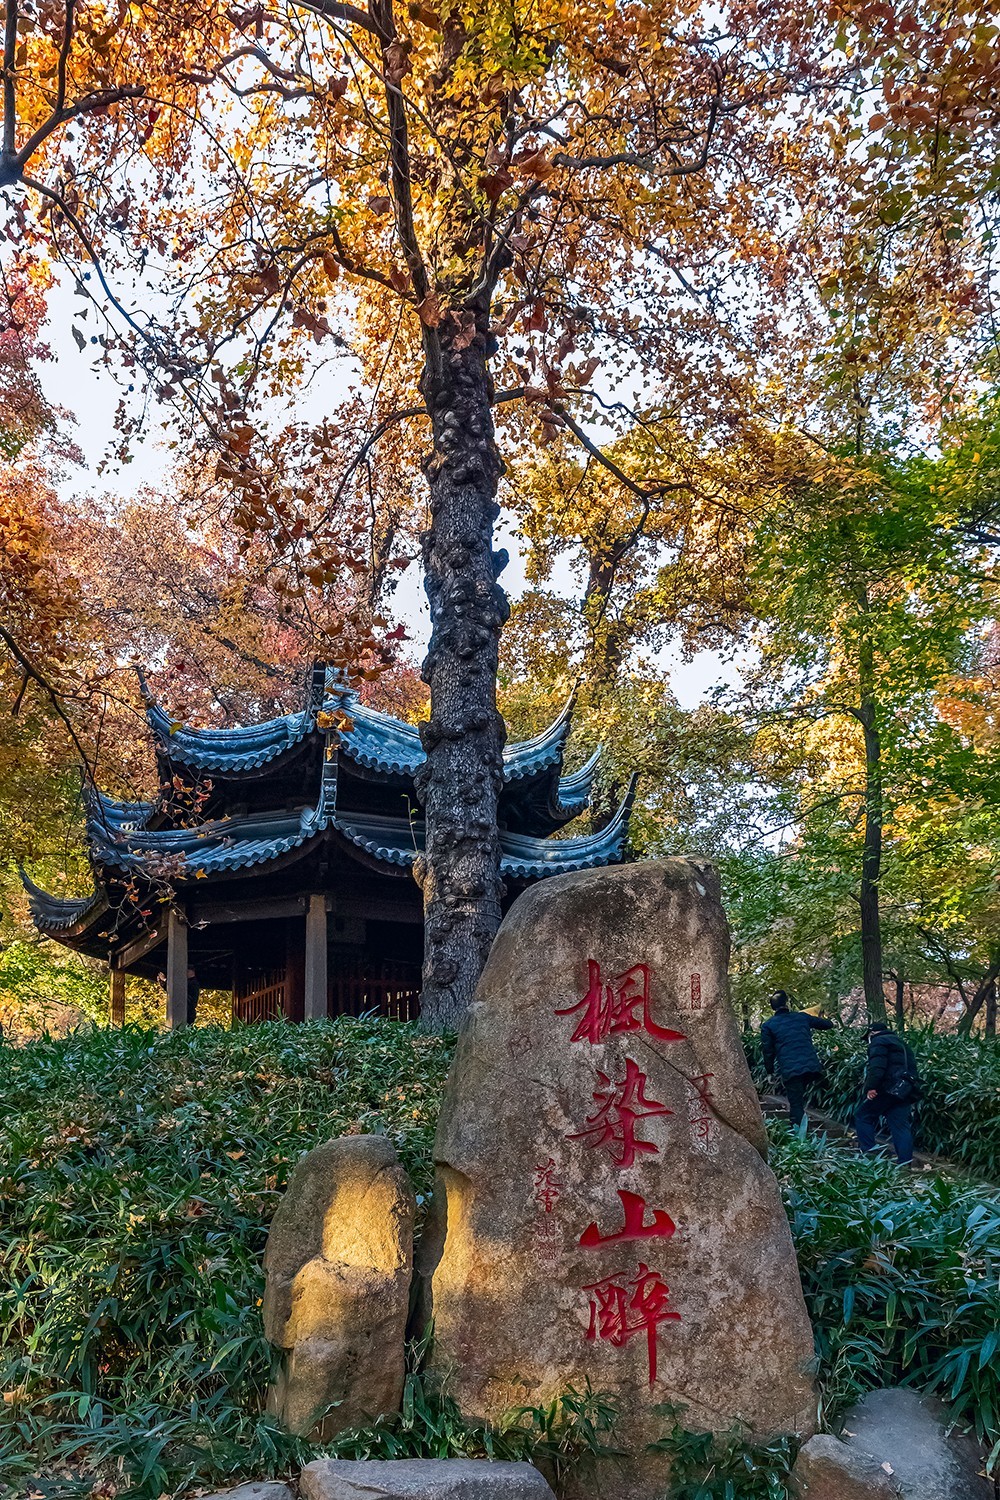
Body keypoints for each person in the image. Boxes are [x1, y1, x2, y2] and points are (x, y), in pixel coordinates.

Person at [760, 990, 835, 1127]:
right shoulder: (802, 1017)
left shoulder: (768, 1025)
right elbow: (827, 1025)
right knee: (803, 1094)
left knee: (795, 1103)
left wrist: (769, 1072)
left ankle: (799, 1135)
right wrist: (828, 1018)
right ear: (787, 1003)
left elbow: (768, 1051)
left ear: (773, 1007)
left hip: (791, 1069)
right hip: (812, 1067)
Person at [854, 1021, 920, 1166]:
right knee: (900, 1126)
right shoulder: (902, 1044)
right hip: (904, 1090)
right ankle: (905, 1163)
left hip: (886, 1087)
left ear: (872, 1033)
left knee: (863, 1116)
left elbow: (877, 1068)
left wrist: (871, 1087)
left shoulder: (878, 1042)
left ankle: (868, 1155)